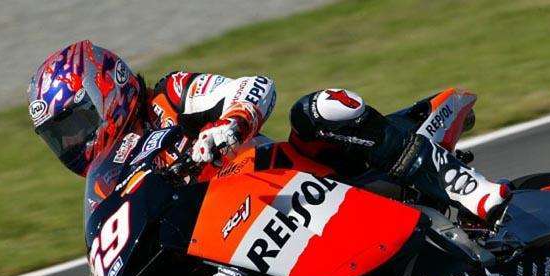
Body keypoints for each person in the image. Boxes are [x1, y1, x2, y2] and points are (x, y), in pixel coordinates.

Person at [28, 40, 508, 220]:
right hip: (237, 228)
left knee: (319, 110)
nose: (73, 143)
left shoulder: (169, 97)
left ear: (106, 88)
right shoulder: (109, 180)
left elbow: (254, 86)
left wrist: (228, 127)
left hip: (295, 183)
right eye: (61, 138)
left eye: (75, 124)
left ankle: (462, 186)